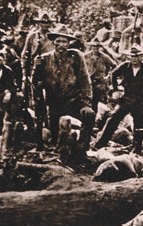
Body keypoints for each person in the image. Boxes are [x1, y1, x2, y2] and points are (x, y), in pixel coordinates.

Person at [32, 24, 94, 156]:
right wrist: (35, 68)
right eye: (58, 41)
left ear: (69, 43)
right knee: (56, 140)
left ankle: (82, 149)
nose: (61, 45)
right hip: (54, 104)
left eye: (64, 41)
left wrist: (86, 103)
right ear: (53, 42)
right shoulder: (44, 58)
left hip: (74, 100)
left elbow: (85, 80)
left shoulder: (76, 57)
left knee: (89, 115)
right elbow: (36, 84)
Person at [94, 45, 143, 153]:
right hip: (126, 98)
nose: (134, 59)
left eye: (136, 56)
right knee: (113, 119)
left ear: (140, 57)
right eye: (132, 56)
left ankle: (136, 149)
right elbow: (113, 74)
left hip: (140, 101)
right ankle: (100, 144)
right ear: (129, 57)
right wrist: (115, 89)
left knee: (139, 125)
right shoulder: (125, 67)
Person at [21, 11, 55, 97]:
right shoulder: (32, 36)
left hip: (51, 69)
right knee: (37, 96)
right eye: (43, 22)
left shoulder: (54, 37)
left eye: (47, 23)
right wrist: (25, 74)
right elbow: (25, 55)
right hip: (36, 68)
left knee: (52, 95)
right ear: (39, 23)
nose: (45, 25)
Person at [84, 39, 117, 111]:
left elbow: (114, 65)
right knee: (87, 100)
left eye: (97, 47)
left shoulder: (104, 56)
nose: (95, 49)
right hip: (89, 81)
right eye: (94, 47)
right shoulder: (85, 56)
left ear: (100, 47)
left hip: (100, 82)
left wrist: (108, 76)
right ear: (91, 47)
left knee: (99, 101)